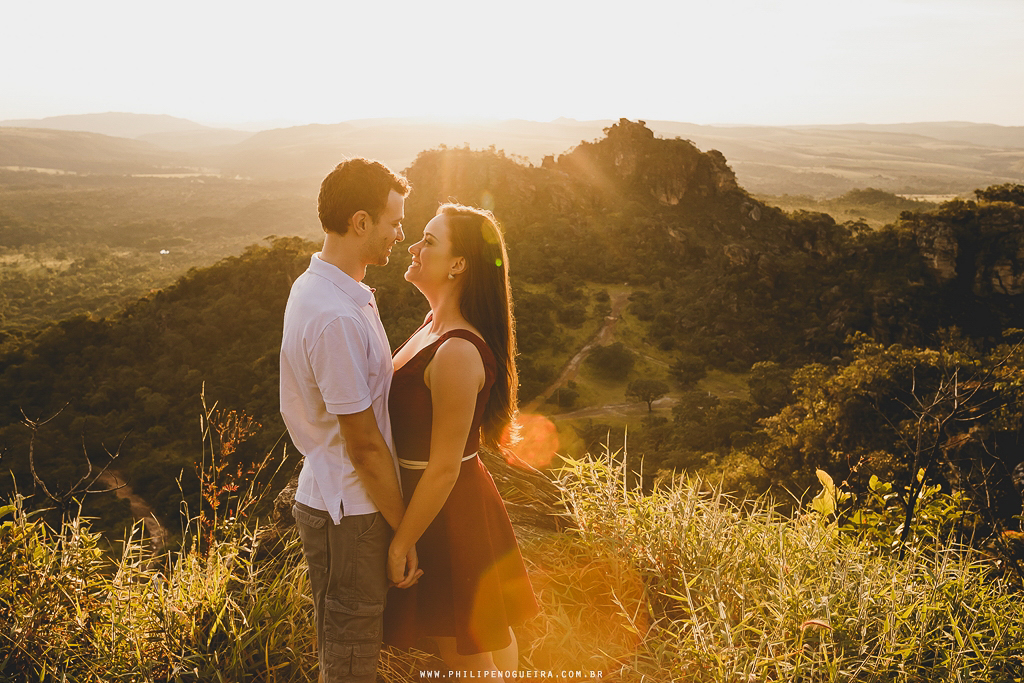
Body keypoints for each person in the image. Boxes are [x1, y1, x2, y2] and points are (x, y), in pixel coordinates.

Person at [279, 158, 421, 683]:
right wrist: (405, 531)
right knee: (351, 657)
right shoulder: (336, 315)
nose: (400, 233)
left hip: (333, 496)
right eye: (394, 221)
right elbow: (362, 445)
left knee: (341, 644)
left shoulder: (322, 289)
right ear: (361, 222)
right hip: (353, 512)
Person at [382, 203, 539, 679]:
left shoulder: (455, 350)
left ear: (458, 264)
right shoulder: (432, 327)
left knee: (464, 655)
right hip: (448, 503)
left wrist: (400, 543)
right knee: (488, 636)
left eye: (428, 240)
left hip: (444, 510)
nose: (413, 246)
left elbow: (444, 466)